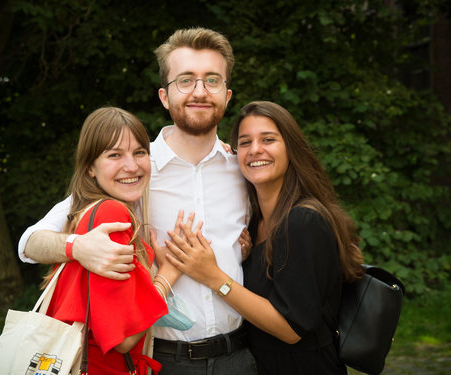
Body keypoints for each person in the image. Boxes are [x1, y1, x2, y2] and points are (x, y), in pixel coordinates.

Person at [18, 28, 257, 375]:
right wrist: (79, 246)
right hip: (161, 361)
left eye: (212, 80)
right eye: (186, 80)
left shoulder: (243, 170)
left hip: (241, 356)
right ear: (164, 95)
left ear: (227, 94)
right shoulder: (134, 171)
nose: (200, 92)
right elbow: (30, 242)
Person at [162, 101, 365, 374]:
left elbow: (292, 328)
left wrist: (213, 276)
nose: (255, 149)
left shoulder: (303, 220)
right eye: (245, 143)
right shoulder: (256, 221)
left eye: (268, 139)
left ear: (291, 148)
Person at [45, 106, 173, 374]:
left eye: (140, 152)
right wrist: (168, 274)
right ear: (90, 168)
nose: (132, 165)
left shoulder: (84, 212)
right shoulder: (110, 215)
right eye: (115, 155)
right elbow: (123, 339)